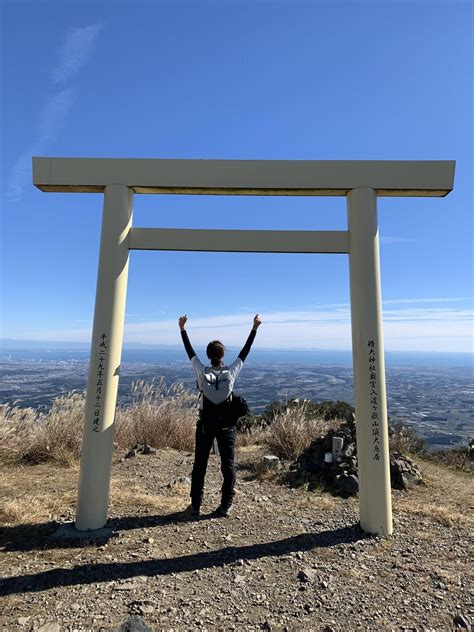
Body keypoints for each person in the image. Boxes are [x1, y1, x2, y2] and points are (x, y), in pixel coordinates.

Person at [179, 313, 262, 518]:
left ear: (208, 355)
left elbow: (190, 352)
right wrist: (254, 328)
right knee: (228, 466)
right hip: (227, 427)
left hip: (206, 425)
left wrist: (182, 329)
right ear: (223, 355)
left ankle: (196, 506)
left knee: (200, 465)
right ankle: (226, 505)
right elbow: (245, 352)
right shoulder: (231, 372)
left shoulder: (200, 370)